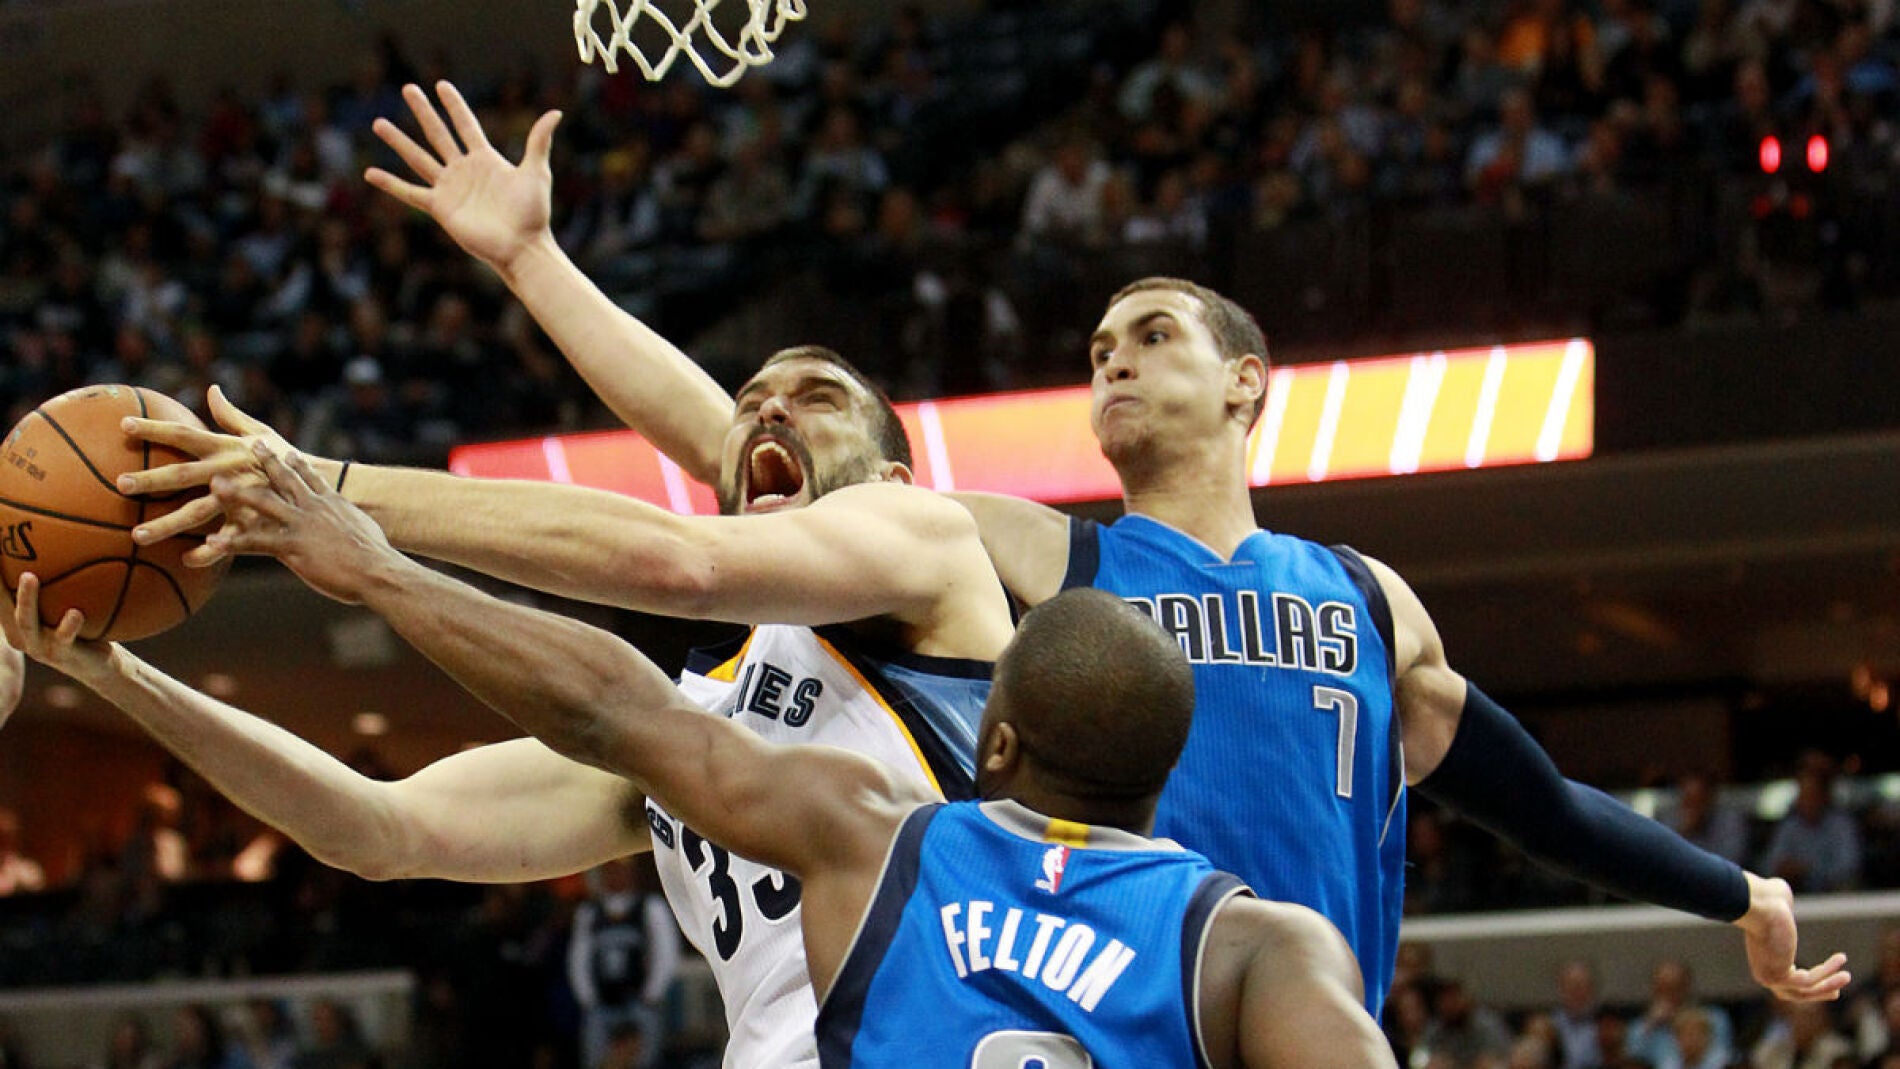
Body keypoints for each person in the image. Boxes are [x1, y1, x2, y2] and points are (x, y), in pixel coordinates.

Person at [126, 84, 1845, 1017]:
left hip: (1270, 995)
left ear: (1247, 380)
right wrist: (531, 282)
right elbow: (732, 499)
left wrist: (1737, 881)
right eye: (1095, 334)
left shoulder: (1344, 594)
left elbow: (1530, 795)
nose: (1110, 348)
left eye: (1147, 328)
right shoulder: (1027, 552)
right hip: (1077, 1005)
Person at [4, 466, 1397, 1067]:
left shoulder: (886, 795)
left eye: (815, 397)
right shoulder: (1253, 947)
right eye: (747, 410)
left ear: (1001, 737)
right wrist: (109, 672)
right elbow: (377, 826)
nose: (769, 413)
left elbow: (639, 640)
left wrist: (365, 543)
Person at [568, 858, 680, 1069]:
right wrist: (589, 999)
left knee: (645, 1060)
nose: (615, 876)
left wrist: (651, 994)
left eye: (620, 871)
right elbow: (579, 956)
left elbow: (666, 952)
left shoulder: (650, 906)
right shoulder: (590, 912)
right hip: (602, 1004)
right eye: (609, 871)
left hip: (639, 1002)